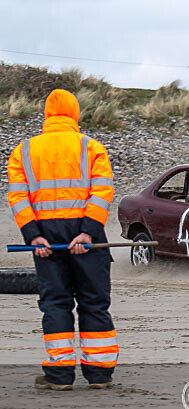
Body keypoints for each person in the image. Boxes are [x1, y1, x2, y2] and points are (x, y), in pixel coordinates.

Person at [6, 89, 117, 391]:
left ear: (47, 115)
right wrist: (88, 232)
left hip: (46, 238)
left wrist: (34, 237)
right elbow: (102, 191)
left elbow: (17, 197)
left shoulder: (24, 150)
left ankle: (59, 375)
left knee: (55, 304)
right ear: (75, 114)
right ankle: (99, 374)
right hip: (86, 237)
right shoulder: (91, 147)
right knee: (94, 302)